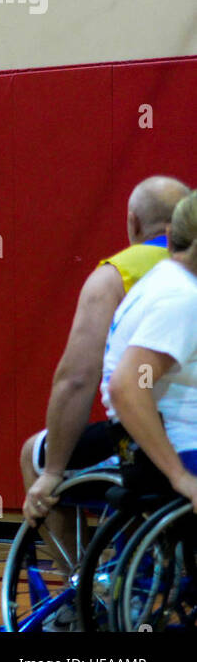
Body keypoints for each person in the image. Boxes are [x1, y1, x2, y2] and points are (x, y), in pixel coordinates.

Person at [22, 176, 189, 532]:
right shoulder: (182, 273)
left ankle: (76, 577)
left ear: (133, 222)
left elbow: (77, 380)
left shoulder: (120, 275)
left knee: (34, 455)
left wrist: (53, 472)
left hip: (155, 439)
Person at [106, 191, 197, 511]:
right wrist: (180, 476)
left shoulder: (164, 278)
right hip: (184, 447)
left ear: (171, 236)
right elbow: (127, 386)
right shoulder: (182, 298)